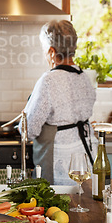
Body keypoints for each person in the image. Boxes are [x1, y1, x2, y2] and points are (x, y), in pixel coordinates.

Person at [22, 20, 96, 185]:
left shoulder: (48, 80)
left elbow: (30, 129)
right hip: (86, 152)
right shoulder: (84, 77)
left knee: (58, 206)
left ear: (51, 51)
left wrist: (21, 126)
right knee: (83, 203)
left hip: (60, 157)